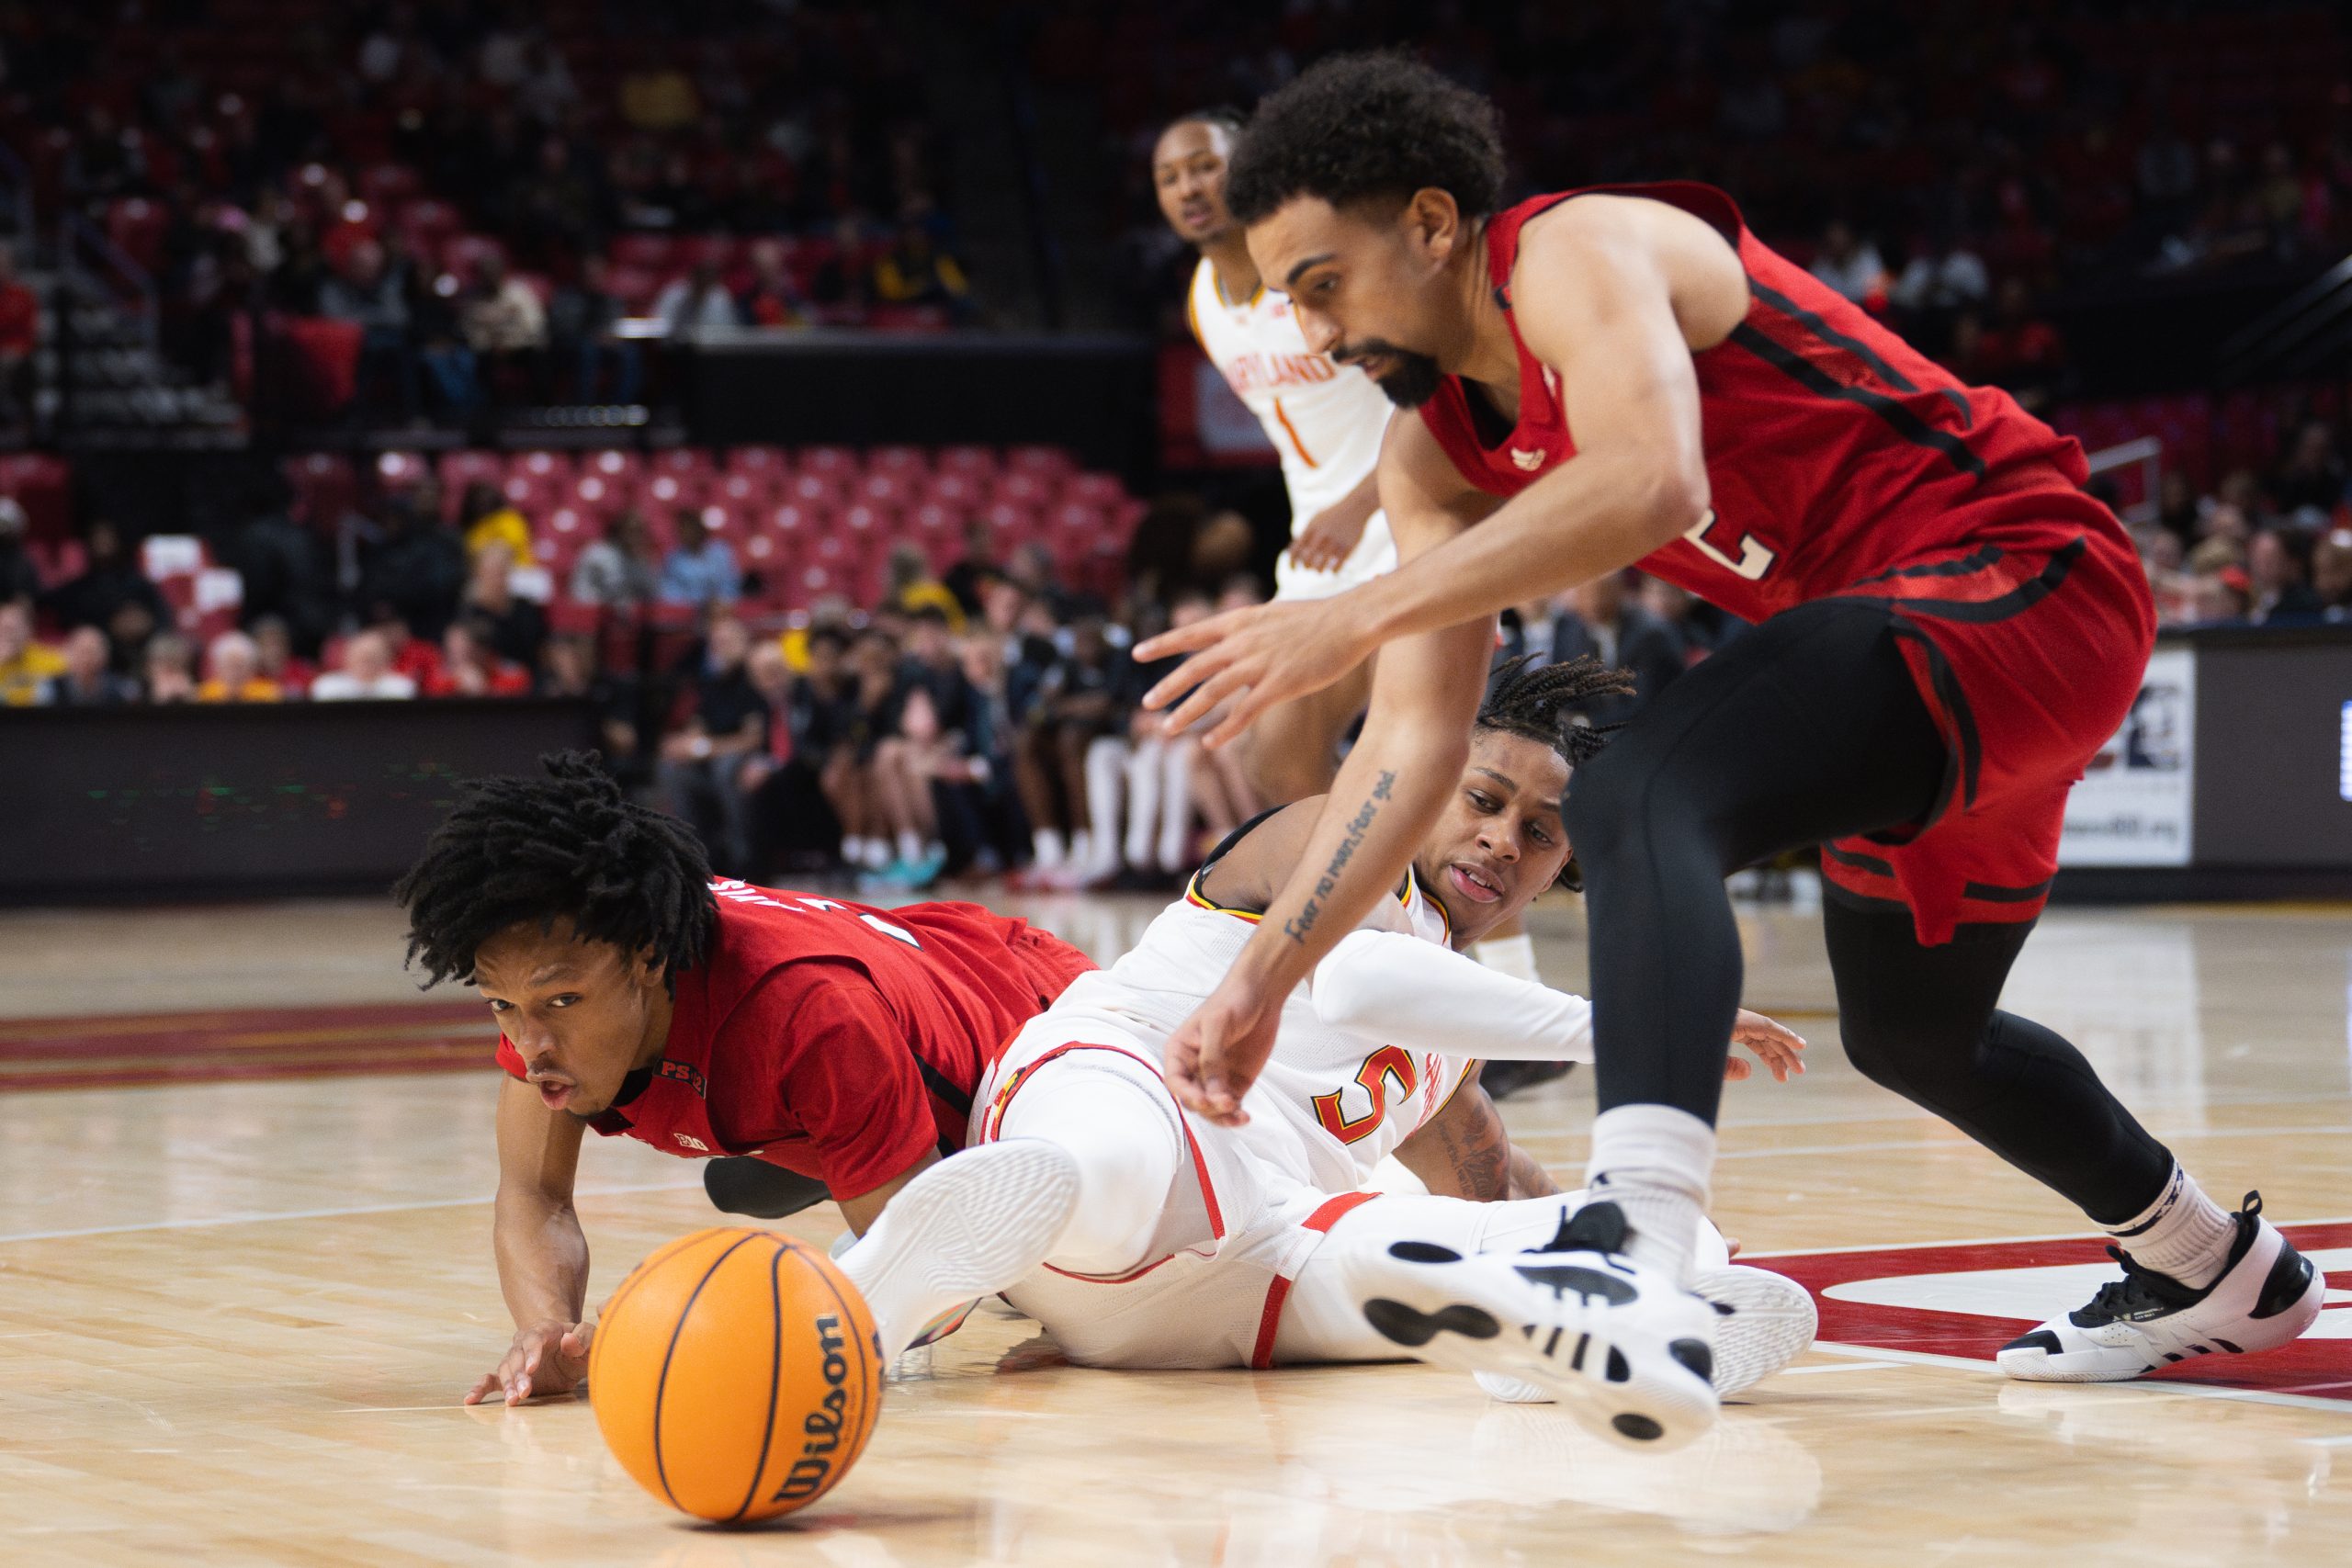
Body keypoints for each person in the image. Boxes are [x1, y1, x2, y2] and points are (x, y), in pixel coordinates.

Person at [1133, 55, 2324, 1448]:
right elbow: (1409, 742)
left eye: (1326, 281)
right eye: (1289, 302)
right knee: (1915, 1032)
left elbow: (1653, 475)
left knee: (1642, 783)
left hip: (2022, 572)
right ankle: (2218, 1266)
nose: (1317, 333)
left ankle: (1632, 1248)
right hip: (1910, 665)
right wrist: (1264, 975)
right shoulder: (1433, 456)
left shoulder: (1573, 250)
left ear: (1435, 223)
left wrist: (1350, 608)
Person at [839, 658, 1816, 1391]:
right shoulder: (1332, 833)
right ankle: (912, 1281)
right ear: (1430, 782)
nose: (1497, 840)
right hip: (1121, 1091)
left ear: (1561, 867)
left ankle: (1585, 1327)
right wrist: (1641, 1024)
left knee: (1645, 1233)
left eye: (1537, 833)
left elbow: (1491, 1178)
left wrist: (1642, 1239)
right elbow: (1355, 980)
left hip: (1213, 1287)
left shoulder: (1449, 1047)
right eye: (1481, 800)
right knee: (1120, 1161)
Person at [389, 753, 1095, 1406]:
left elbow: (925, 1286)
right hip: (874, 1010)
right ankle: (846, 1155)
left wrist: (679, 1327)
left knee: (1055, 1293)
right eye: (501, 1006)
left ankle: (886, 1173)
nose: (529, 1043)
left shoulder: (808, 1016)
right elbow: (534, 1193)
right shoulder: (553, 995)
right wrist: (547, 1331)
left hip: (1039, 1023)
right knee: (766, 1162)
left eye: (559, 1003)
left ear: (647, 959)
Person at [1154, 108, 1396, 807]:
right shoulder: (1202, 301)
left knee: (1415, 751)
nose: (1188, 188)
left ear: (1251, 164)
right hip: (1322, 549)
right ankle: (1375, 912)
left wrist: (1361, 502)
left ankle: (1490, 921)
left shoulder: (1318, 266)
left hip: (1410, 521)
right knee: (1277, 754)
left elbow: (1435, 400)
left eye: (1204, 165)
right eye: (1169, 177)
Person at [659, 616, 766, 874]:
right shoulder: (711, 683)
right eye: (716, 644)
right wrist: (684, 744)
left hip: (753, 761)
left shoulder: (753, 681)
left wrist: (705, 749)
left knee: (725, 766)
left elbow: (754, 738)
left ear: (744, 644)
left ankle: (743, 859)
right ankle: (695, 854)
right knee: (673, 769)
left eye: (727, 642)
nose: (720, 649)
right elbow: (700, 726)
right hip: (714, 760)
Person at [568, 508, 662, 609]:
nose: (636, 536)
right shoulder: (597, 554)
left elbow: (652, 596)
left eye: (640, 532)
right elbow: (579, 592)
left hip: (627, 619)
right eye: (631, 531)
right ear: (619, 531)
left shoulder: (642, 562)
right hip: (592, 615)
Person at [656, 507, 741, 611]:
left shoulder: (721, 552)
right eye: (682, 530)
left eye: (689, 529)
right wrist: (694, 605)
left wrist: (720, 602)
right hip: (688, 612)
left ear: (700, 530)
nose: (685, 534)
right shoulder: (674, 559)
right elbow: (671, 592)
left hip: (721, 609)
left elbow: (731, 584)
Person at [311, 629, 418, 701]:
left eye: (373, 657)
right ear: (347, 658)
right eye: (361, 657)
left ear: (386, 659)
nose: (367, 661)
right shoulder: (327, 686)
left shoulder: (402, 688)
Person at [42, 626, 138, 705]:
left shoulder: (122, 689)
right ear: (67, 655)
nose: (86, 658)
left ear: (105, 656)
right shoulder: (50, 688)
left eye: (91, 652)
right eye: (80, 652)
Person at [0, 600, 68, 705]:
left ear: (28, 630)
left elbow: (67, 685)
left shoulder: (48, 659)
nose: (9, 635)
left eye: (13, 629)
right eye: (4, 629)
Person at [458, 482, 537, 570]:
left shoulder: (509, 519)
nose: (483, 503)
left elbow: (509, 550)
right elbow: (473, 552)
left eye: (486, 500)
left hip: (518, 570)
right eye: (479, 500)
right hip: (483, 573)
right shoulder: (474, 527)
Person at [195, 629, 282, 702]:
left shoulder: (268, 694)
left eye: (240, 666)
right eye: (229, 666)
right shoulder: (203, 695)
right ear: (217, 668)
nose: (235, 672)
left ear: (252, 669)